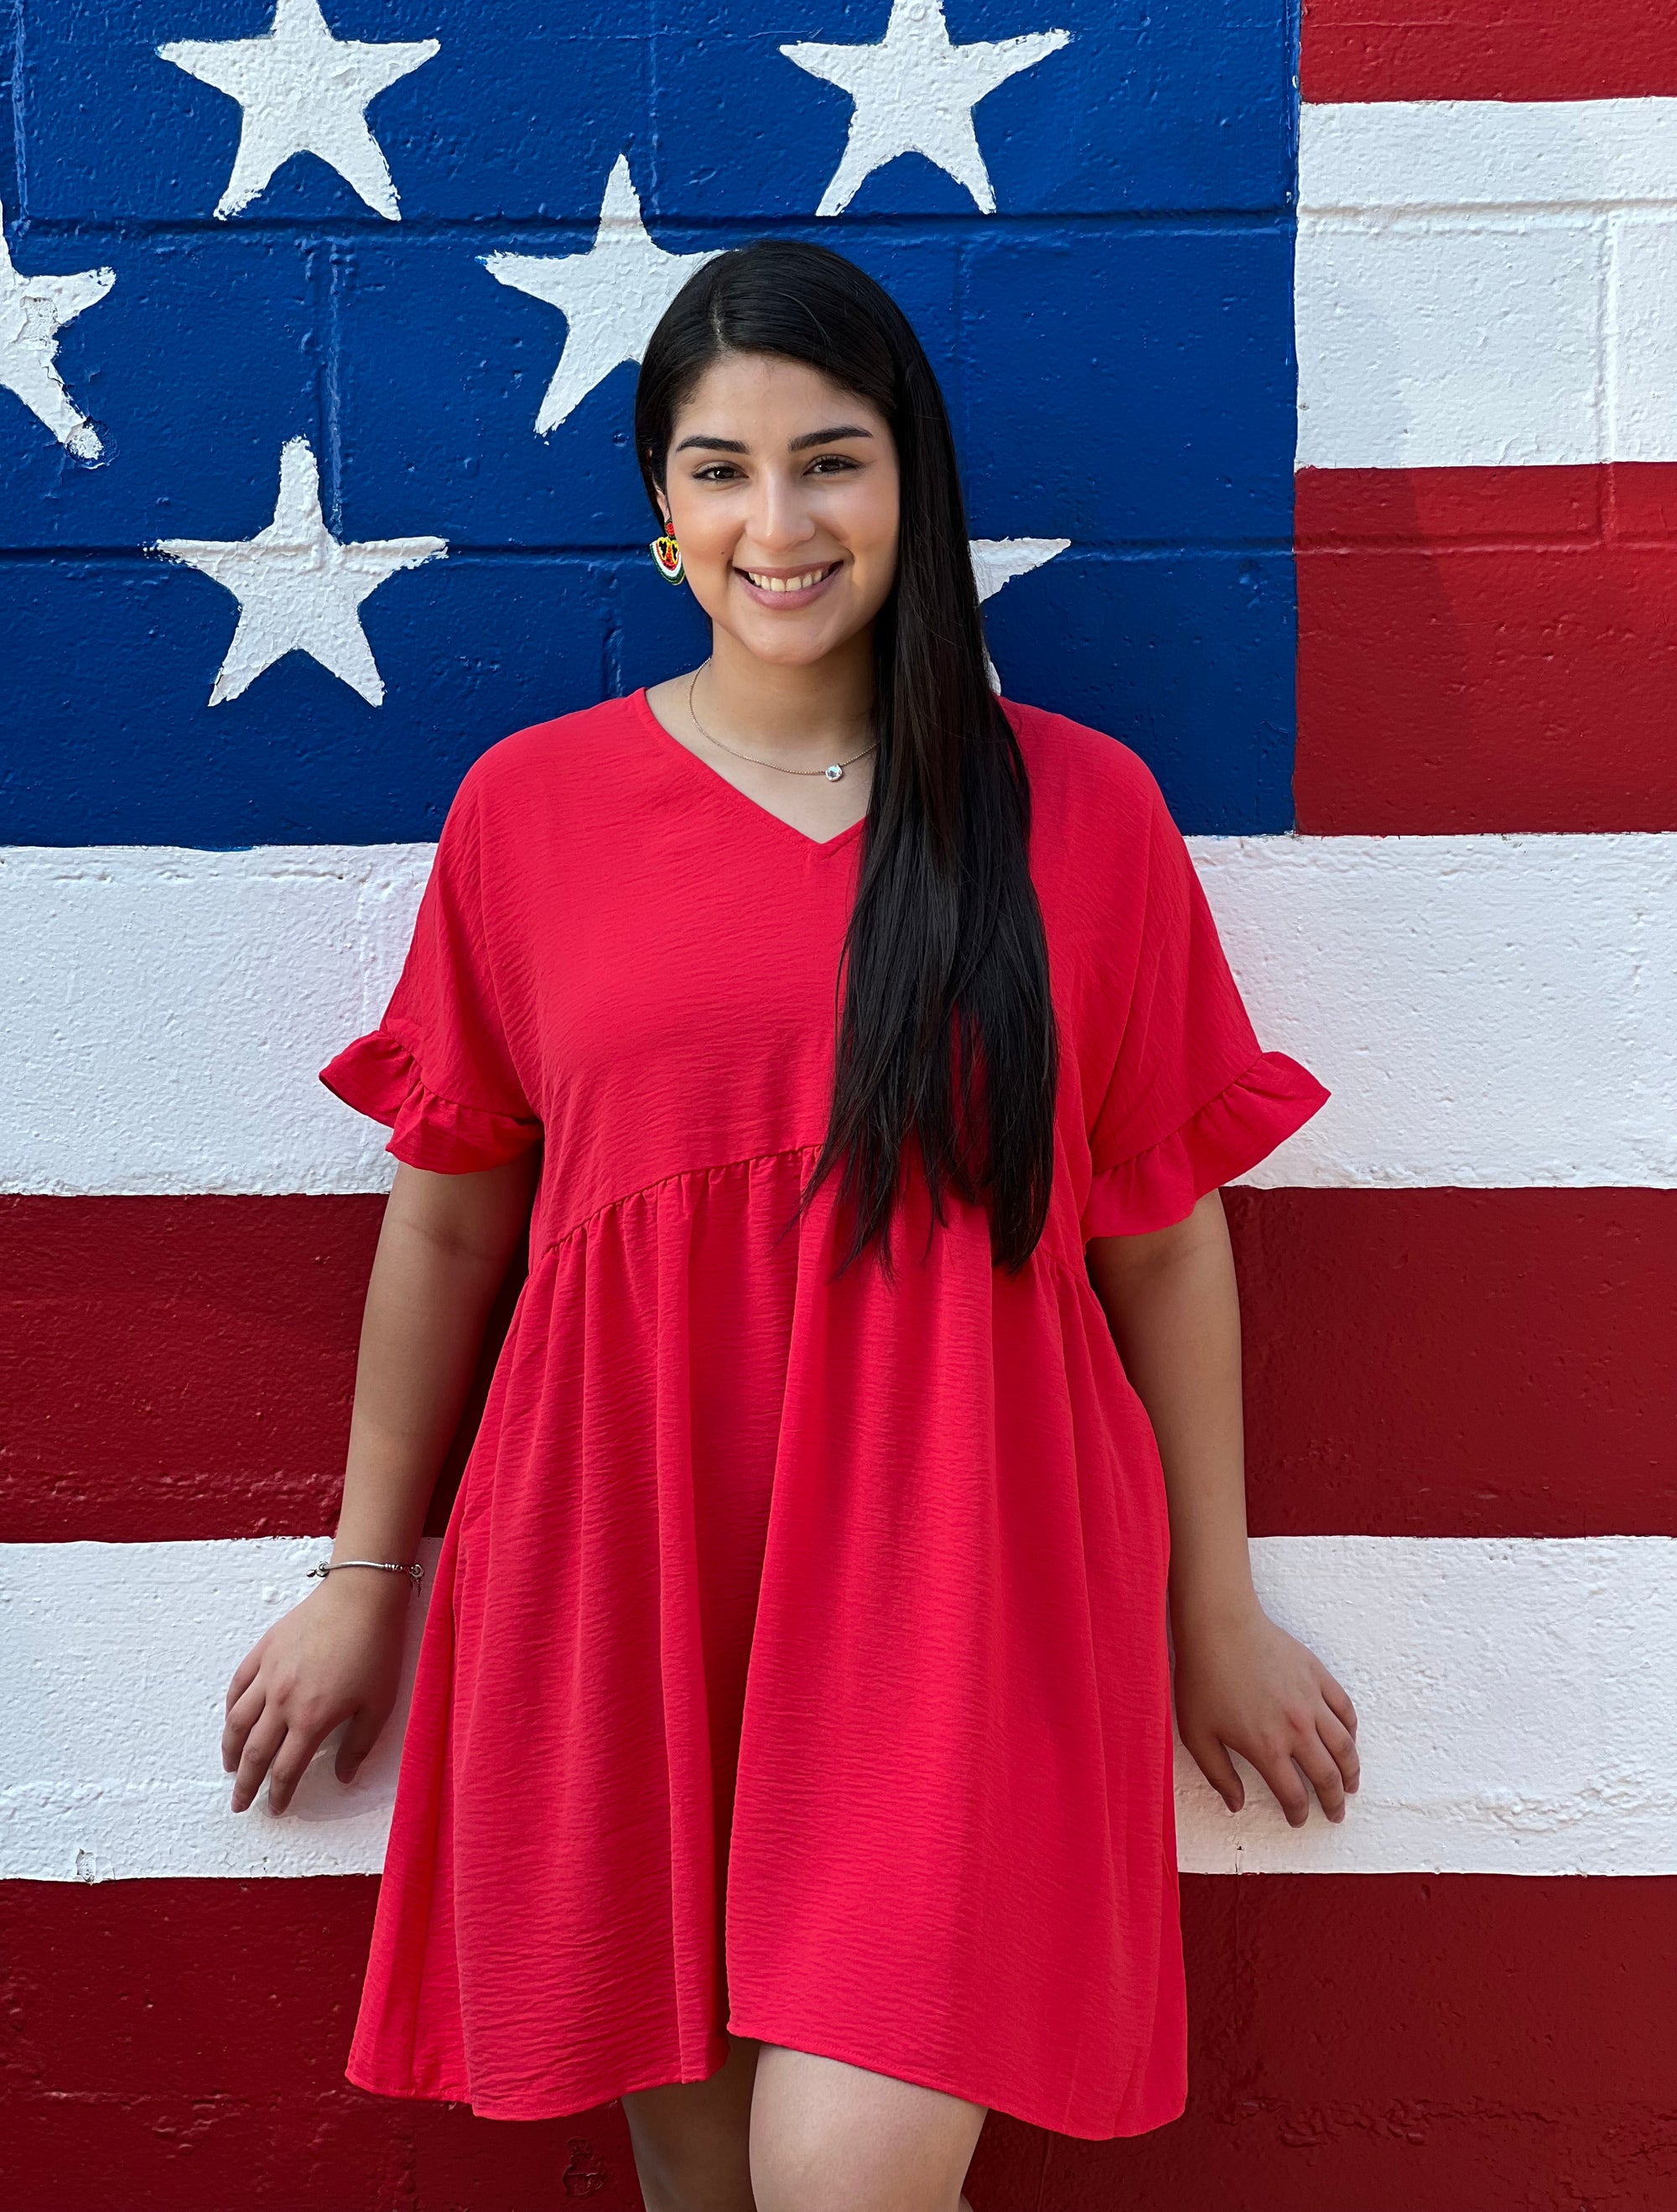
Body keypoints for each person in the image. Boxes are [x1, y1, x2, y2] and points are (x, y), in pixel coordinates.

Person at [219, 240, 1358, 2212]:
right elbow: (447, 1232)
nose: (779, 520)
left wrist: (1215, 1599)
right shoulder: (528, 813)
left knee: (844, 2174)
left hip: (969, 1568)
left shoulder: (1076, 815)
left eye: (827, 460)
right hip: (636, 1549)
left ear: (909, 481)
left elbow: (1163, 1240)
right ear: (658, 511)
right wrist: (360, 1572)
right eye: (719, 468)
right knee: (702, 2178)